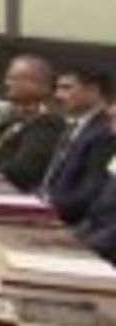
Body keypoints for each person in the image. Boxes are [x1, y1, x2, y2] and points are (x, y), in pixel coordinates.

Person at [41, 68, 116, 224]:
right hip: (50, 211)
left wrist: (43, 208)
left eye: (66, 88)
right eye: (57, 88)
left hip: (69, 221)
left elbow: (89, 193)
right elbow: (52, 179)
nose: (58, 95)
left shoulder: (105, 133)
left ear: (93, 91)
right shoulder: (75, 126)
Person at [0, 56, 65, 191]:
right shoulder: (15, 118)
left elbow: (22, 170)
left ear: (37, 84)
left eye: (13, 78)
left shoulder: (48, 123)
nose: (6, 83)